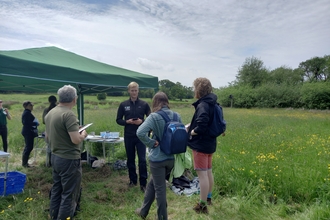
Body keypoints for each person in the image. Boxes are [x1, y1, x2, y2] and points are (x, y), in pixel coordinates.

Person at [45, 85, 87, 220]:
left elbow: (47, 136)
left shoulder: (51, 112)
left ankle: (53, 215)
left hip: (55, 156)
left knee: (57, 189)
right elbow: (75, 140)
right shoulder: (68, 114)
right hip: (69, 158)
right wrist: (83, 134)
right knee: (69, 193)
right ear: (74, 99)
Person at [135, 92, 180, 220]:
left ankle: (162, 217)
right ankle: (143, 211)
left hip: (158, 159)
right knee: (153, 184)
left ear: (155, 102)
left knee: (160, 190)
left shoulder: (154, 117)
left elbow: (140, 132)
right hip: (171, 159)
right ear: (167, 102)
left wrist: (151, 143)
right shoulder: (177, 115)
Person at [187, 77, 218, 214]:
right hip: (211, 143)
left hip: (201, 145)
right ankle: (209, 198)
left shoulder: (203, 105)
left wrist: (191, 131)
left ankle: (202, 205)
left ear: (198, 89)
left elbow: (202, 125)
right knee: (208, 172)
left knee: (202, 176)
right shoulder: (213, 103)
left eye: (195, 88)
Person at [116, 81, 151, 192]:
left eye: (136, 90)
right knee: (130, 159)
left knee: (142, 159)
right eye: (132, 90)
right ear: (129, 91)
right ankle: (132, 180)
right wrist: (127, 122)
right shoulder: (123, 105)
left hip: (141, 136)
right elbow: (118, 120)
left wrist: (142, 121)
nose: (134, 92)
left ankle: (143, 183)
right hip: (129, 135)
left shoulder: (144, 104)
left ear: (138, 91)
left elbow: (151, 119)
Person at [21, 101, 39, 167]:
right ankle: (25, 163)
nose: (32, 107)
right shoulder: (27, 113)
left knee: (29, 147)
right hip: (28, 132)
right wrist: (35, 123)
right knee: (28, 147)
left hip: (28, 131)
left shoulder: (27, 113)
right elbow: (25, 123)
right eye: (31, 105)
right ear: (27, 106)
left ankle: (25, 163)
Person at [42, 95, 57, 167]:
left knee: (49, 147)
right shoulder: (58, 109)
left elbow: (44, 121)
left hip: (48, 131)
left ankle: (49, 162)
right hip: (57, 131)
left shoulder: (46, 110)